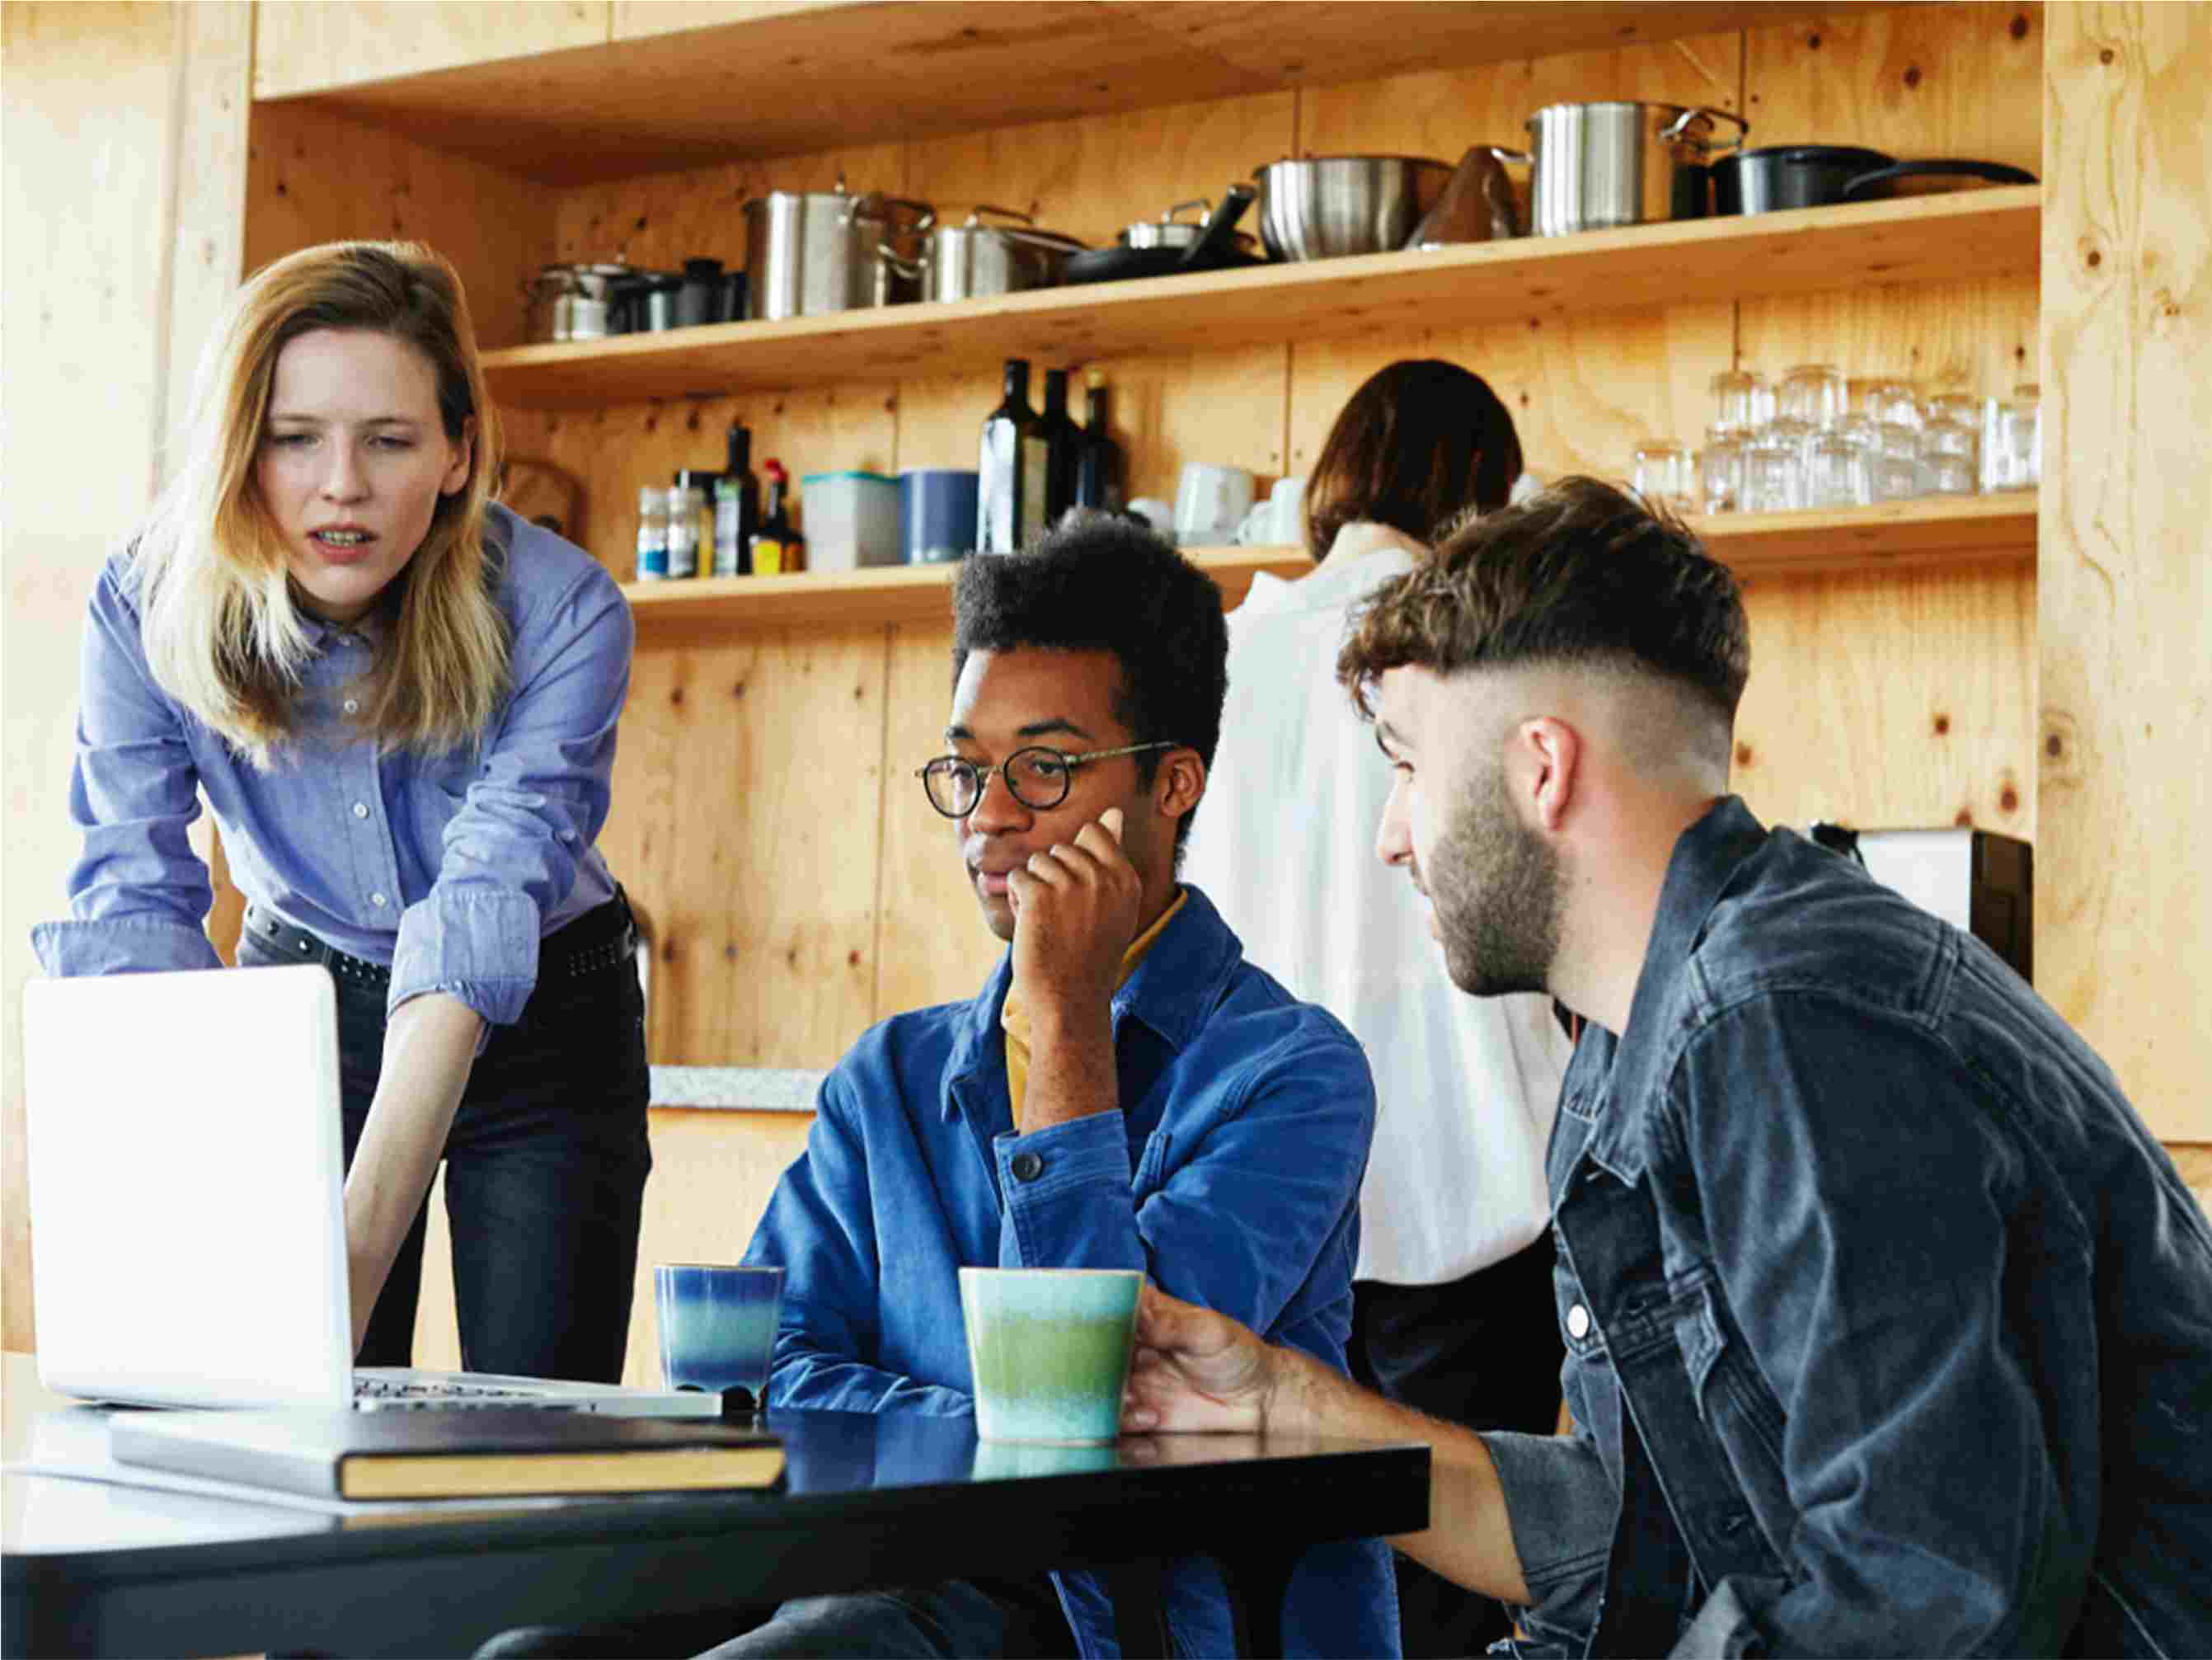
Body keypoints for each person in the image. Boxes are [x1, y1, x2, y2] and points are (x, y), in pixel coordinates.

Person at [1123, 476, 2212, 1657]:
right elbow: (1645, 1537)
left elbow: (1922, 1596)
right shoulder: (1632, 1042)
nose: (1391, 833)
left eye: (1406, 764)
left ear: (1542, 769)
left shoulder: (1786, 1019)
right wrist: (1287, 1413)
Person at [716, 515, 1395, 1658]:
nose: (987, 814)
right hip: (876, 1568)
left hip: (1132, 1615)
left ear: (1171, 783)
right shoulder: (889, 1077)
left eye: (1043, 766)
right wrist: (981, 1428)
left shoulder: (1294, 1075)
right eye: (968, 769)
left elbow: (1096, 1400)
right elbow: (761, 1367)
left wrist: (1069, 1014)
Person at [31, 240, 650, 1383]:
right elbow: (136, 912)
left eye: (391, 440)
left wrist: (344, 1272)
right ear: (238, 447)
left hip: (543, 1014)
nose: (342, 486)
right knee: (279, 1416)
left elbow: (477, 914)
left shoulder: (564, 613)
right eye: (294, 437)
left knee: (538, 1427)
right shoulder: (144, 606)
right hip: (303, 995)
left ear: (460, 453)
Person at [1181, 359, 1572, 1654]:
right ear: (1478, 491)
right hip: (1467, 1186)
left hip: (1272, 1184)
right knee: (1457, 1573)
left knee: (1281, 1576)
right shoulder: (1471, 645)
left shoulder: (1228, 649)